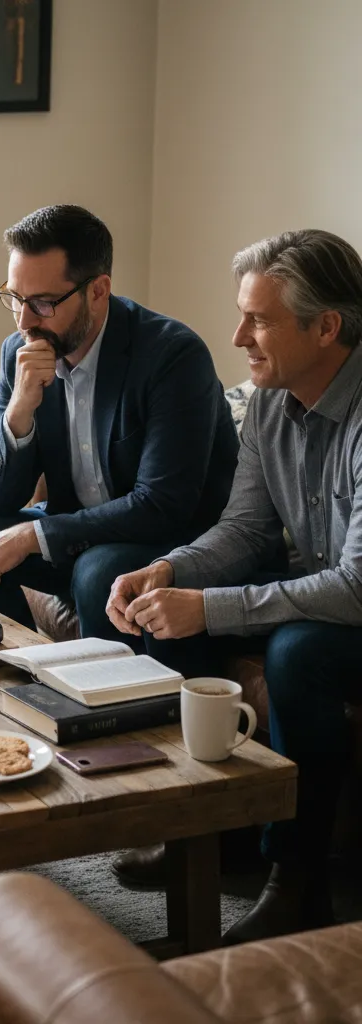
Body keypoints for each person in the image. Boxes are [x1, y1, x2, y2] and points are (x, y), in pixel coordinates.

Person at [106, 229, 362, 945]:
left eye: (259, 318)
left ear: (327, 327)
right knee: (166, 616)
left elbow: (356, 587)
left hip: (352, 604)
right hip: (323, 588)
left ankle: (299, 882)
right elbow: (246, 530)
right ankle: (214, 832)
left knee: (298, 654)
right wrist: (173, 571)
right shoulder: (268, 400)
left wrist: (209, 607)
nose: (238, 334)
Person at [0, 205, 238, 639]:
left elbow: (163, 505)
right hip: (82, 536)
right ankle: (27, 668)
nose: (25, 321)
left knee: (97, 571)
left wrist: (34, 535)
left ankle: (97, 697)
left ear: (98, 291)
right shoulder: (20, 352)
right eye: (15, 298)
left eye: (43, 303)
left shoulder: (172, 355)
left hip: (171, 541)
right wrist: (20, 409)